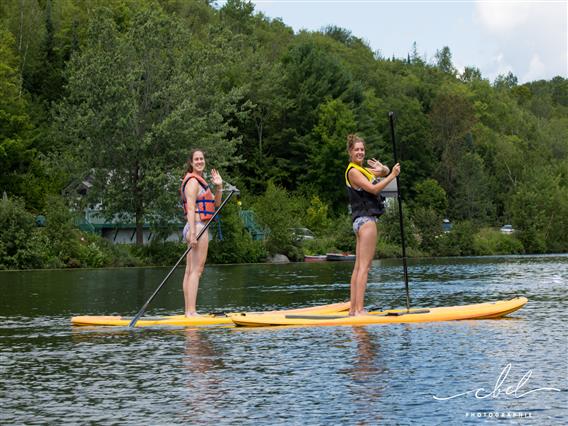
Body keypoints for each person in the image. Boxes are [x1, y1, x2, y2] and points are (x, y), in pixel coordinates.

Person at [345, 134, 400, 316]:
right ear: (350, 152)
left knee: (358, 267)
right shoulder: (353, 171)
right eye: (356, 149)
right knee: (365, 267)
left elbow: (381, 172)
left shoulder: (363, 170)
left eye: (362, 149)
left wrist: (384, 169)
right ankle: (359, 310)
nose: (360, 152)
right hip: (366, 221)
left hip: (360, 221)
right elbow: (375, 189)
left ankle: (353, 310)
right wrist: (392, 175)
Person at [180, 149, 223, 317]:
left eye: (201, 158)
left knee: (190, 270)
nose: (199, 161)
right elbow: (190, 207)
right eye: (196, 159)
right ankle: (191, 311)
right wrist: (192, 234)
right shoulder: (192, 181)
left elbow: (216, 203)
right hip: (197, 226)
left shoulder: (201, 181)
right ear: (191, 162)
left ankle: (188, 312)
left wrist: (219, 186)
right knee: (196, 270)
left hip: (196, 226)